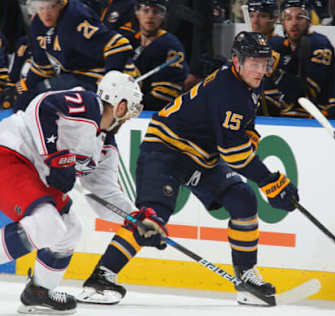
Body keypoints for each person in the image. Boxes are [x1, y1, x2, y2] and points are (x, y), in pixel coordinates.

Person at [78, 31, 299, 306]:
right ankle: (99, 279)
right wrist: (270, 181)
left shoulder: (249, 82)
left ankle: (246, 278)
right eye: (252, 63)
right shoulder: (230, 91)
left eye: (263, 63)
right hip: (165, 150)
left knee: (243, 199)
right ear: (237, 62)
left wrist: (250, 138)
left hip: (201, 157)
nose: (259, 70)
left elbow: (240, 128)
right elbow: (233, 152)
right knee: (152, 216)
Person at [0, 71, 162, 314]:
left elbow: (104, 194)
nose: (130, 117)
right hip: (11, 152)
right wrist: (55, 156)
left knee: (71, 230)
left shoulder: (105, 146)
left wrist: (136, 219)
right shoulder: (87, 103)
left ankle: (39, 292)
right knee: (48, 225)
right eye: (130, 109)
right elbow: (41, 106)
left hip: (35, 172)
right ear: (120, 105)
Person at [14, 0, 136, 111]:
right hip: (73, 76)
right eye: (41, 8)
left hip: (96, 77)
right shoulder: (38, 25)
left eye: (51, 7)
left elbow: (119, 46)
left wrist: (111, 83)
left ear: (61, 4)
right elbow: (43, 67)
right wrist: (26, 86)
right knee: (24, 100)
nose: (46, 14)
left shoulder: (75, 17)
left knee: (41, 98)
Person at [262, 0, 335, 117]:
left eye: (299, 17)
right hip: (284, 115)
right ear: (282, 23)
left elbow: (306, 96)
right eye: (288, 18)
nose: (294, 23)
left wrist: (275, 72)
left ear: (309, 21)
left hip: (315, 115)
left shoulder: (319, 44)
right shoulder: (280, 46)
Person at [131, 0, 189, 111]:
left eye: (155, 12)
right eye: (146, 11)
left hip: (151, 114)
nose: (150, 16)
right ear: (137, 14)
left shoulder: (170, 46)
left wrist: (132, 105)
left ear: (163, 16)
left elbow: (165, 96)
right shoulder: (130, 41)